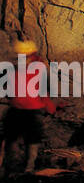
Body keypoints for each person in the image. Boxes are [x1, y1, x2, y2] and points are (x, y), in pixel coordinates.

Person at [1, 41, 54, 176]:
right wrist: (50, 107)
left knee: (16, 139)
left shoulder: (16, 68)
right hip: (29, 109)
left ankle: (14, 169)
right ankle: (26, 168)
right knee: (30, 139)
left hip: (22, 109)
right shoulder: (36, 67)